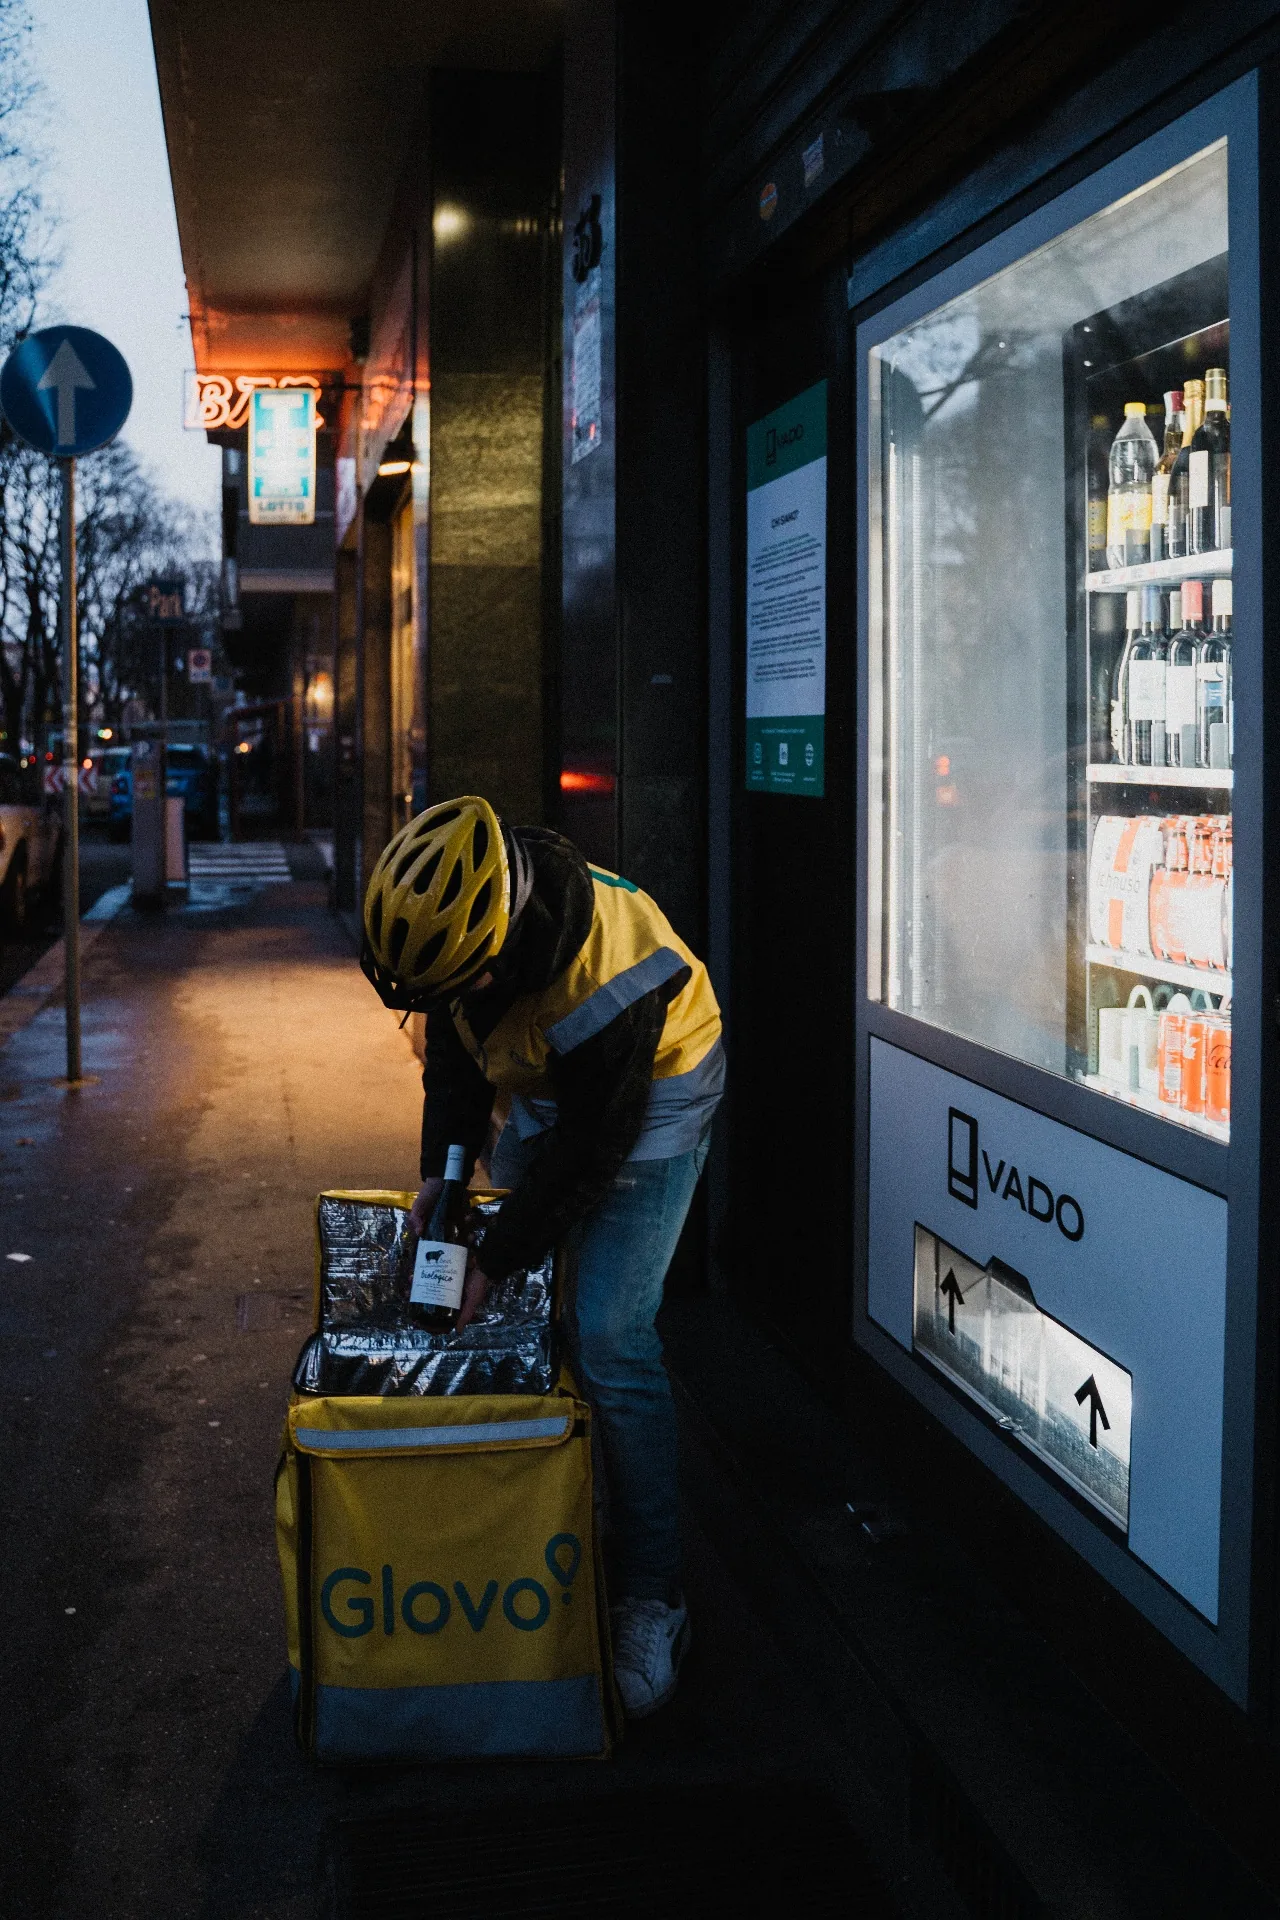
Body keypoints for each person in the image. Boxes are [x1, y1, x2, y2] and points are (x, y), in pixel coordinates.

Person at [361, 795, 724, 1716]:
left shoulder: (608, 978)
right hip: (552, 1075)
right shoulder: (466, 940)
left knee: (608, 1333)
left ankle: (652, 1595)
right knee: (529, 1296)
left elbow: (591, 1153)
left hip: (654, 1092)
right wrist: (440, 1178)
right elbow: (452, 1055)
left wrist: (499, 1253)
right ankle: (544, 1514)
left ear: (495, 955)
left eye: (457, 985)